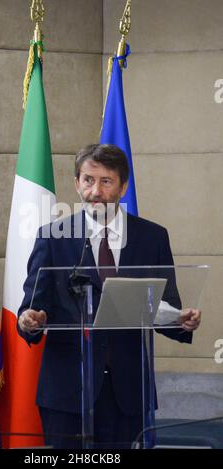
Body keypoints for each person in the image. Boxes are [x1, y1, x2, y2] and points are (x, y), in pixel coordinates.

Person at [17, 143, 201, 449]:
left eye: (106, 181)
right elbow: (32, 307)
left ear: (123, 186)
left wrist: (182, 321)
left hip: (127, 391)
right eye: (88, 180)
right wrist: (31, 319)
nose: (95, 191)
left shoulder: (152, 237)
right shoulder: (52, 237)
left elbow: (166, 306)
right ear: (77, 183)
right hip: (67, 391)